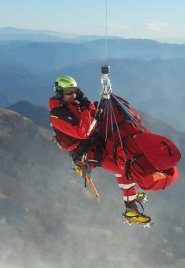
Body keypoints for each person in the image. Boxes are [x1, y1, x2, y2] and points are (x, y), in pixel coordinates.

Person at [48, 75, 152, 225]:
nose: (73, 95)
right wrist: (85, 109)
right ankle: (130, 210)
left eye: (75, 90)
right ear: (59, 93)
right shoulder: (57, 116)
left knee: (124, 161)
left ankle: (131, 196)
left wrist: (86, 104)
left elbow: (92, 115)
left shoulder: (73, 104)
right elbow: (83, 132)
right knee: (124, 168)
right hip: (87, 153)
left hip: (95, 144)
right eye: (69, 92)